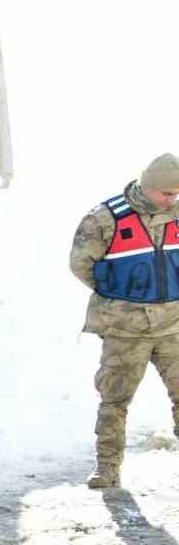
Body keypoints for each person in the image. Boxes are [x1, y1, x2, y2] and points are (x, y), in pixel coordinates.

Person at [68, 153, 179, 489]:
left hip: (174, 325)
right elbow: (80, 264)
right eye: (167, 193)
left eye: (176, 193)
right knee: (114, 399)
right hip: (125, 330)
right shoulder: (105, 218)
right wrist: (121, 294)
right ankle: (108, 467)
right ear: (148, 188)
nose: (172, 199)